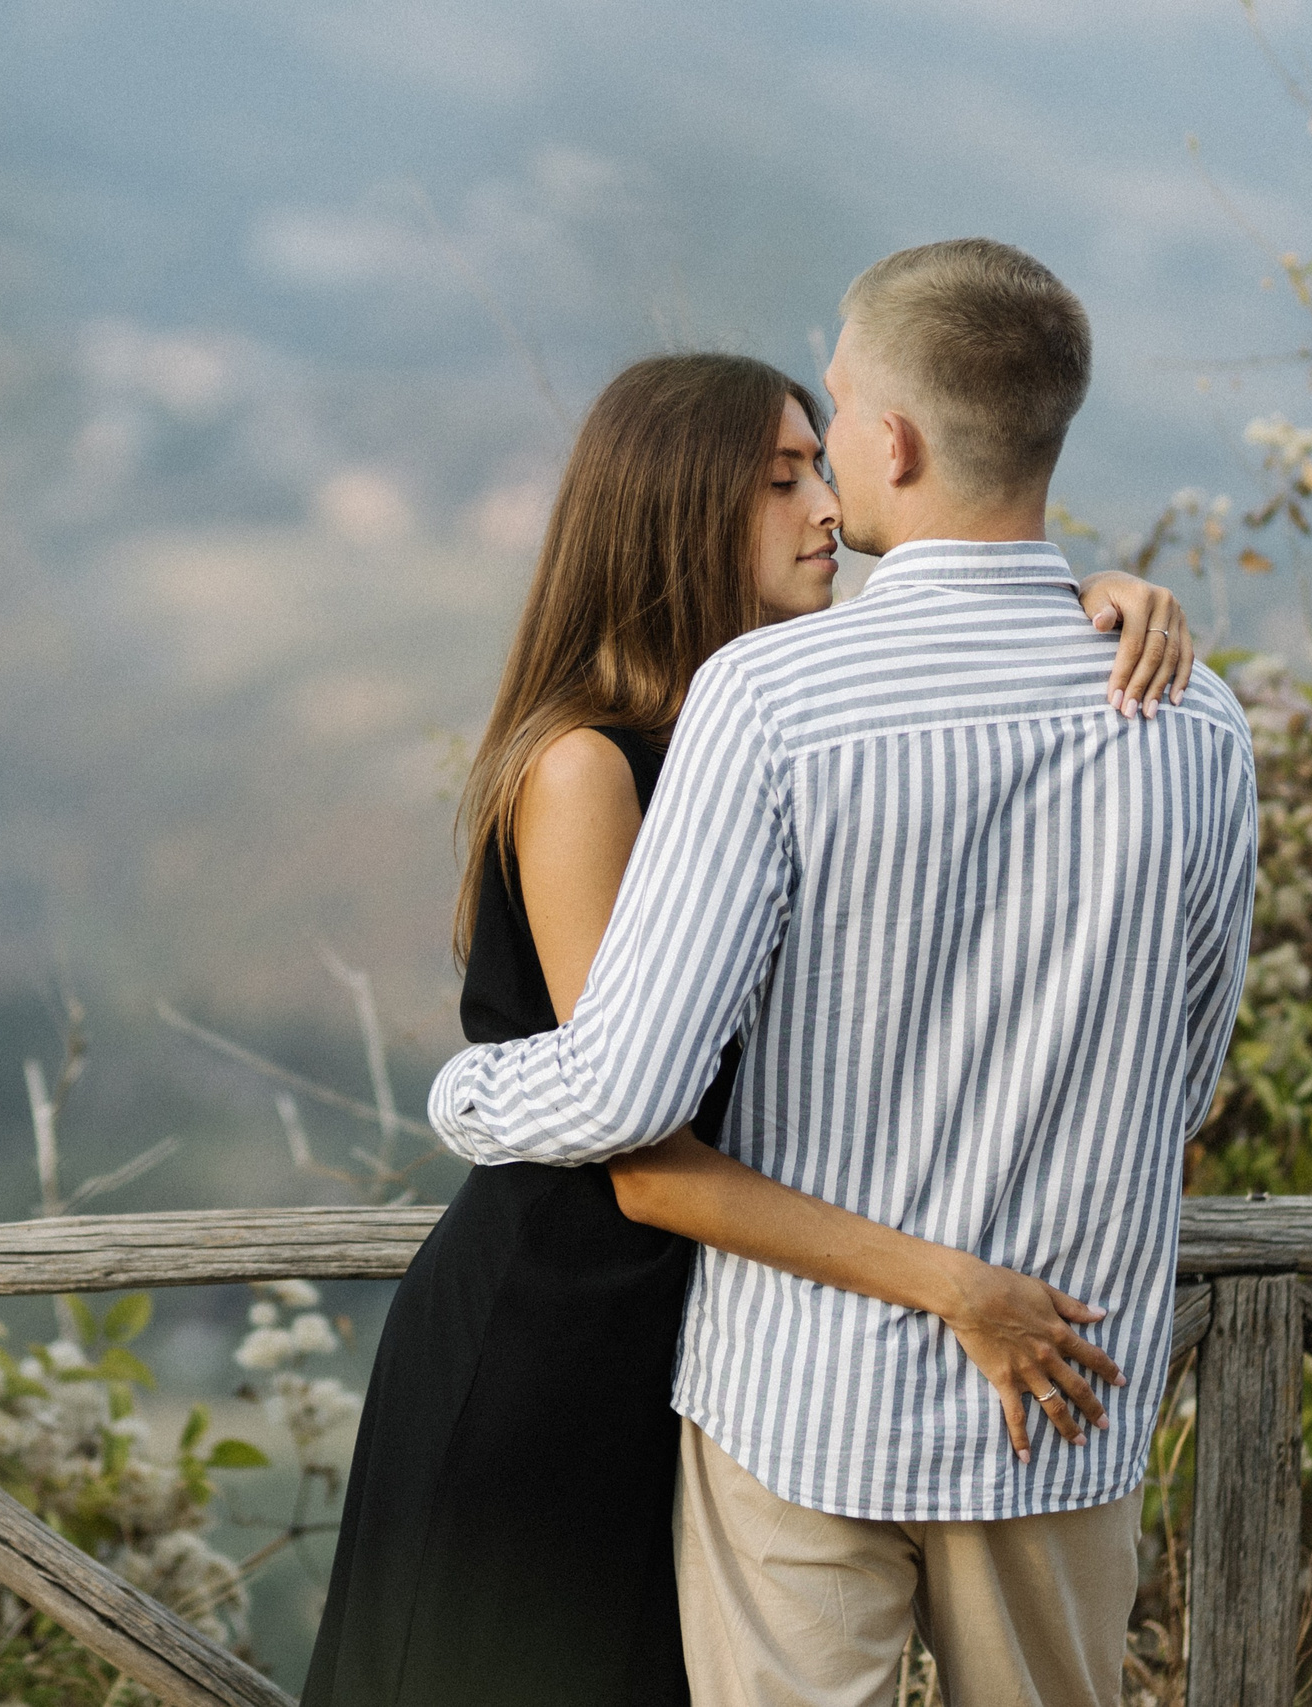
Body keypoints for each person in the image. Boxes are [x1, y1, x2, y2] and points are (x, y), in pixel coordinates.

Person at [302, 350, 1199, 1707]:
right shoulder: (587, 766)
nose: (823, 507)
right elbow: (647, 1160)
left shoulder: (758, 737)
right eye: (778, 481)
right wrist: (958, 1287)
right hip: (554, 1340)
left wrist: (1086, 606)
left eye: (815, 465)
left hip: (700, 1350)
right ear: (673, 509)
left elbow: (939, 664)